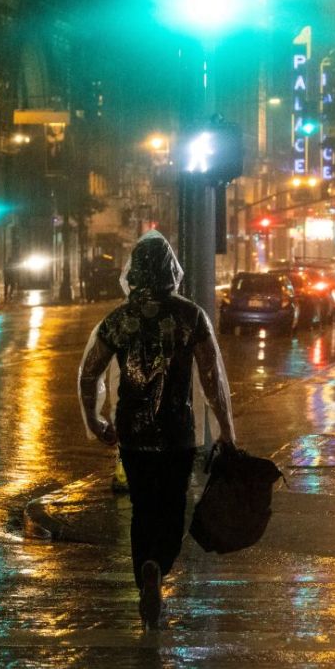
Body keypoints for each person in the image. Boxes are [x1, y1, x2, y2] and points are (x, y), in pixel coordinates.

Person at [77, 230, 237, 630]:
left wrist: (96, 419)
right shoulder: (190, 316)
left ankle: (145, 571)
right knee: (171, 509)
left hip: (132, 436)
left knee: (142, 511)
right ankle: (159, 565)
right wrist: (226, 430)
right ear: (172, 271)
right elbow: (211, 378)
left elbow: (89, 373)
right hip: (177, 434)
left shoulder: (119, 320)